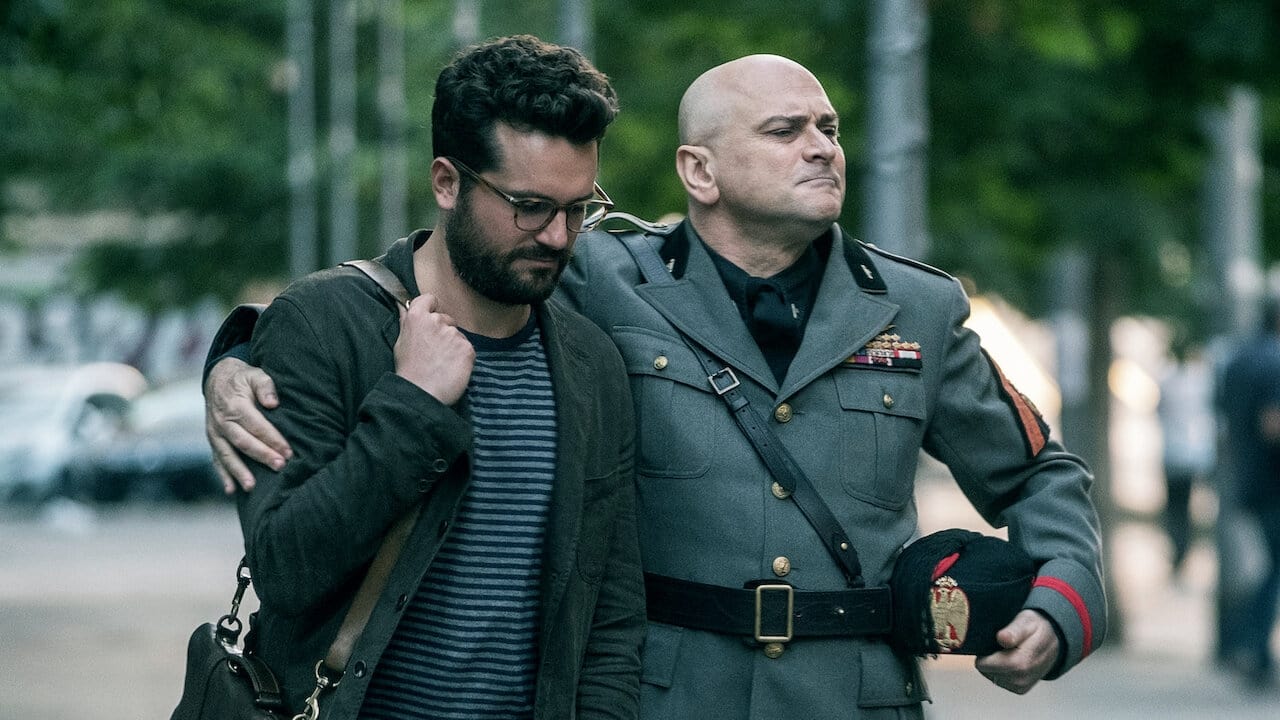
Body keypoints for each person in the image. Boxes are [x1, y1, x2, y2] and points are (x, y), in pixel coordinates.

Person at [206, 53, 1106, 718]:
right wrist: (239, 359)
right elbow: (440, 268)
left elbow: (1038, 472)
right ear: (697, 170)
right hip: (670, 693)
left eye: (829, 129)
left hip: (854, 693)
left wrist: (1064, 602)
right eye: (785, 131)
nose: (822, 149)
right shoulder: (606, 276)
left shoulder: (918, 308)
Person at [208, 35, 645, 719]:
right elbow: (287, 570)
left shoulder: (591, 364)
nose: (558, 236)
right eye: (530, 206)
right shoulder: (323, 325)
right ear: (447, 182)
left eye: (577, 209)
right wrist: (412, 405)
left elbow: (609, 618)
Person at [1217, 299, 1280, 688]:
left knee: (1272, 565)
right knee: (1274, 568)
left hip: (1248, 477)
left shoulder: (1237, 360)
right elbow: (1273, 423)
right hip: (1274, 481)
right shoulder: (1275, 361)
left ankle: (1244, 645)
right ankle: (1251, 648)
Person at [1156, 338, 1216, 577]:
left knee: (1174, 507)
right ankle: (1184, 549)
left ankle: (1177, 549)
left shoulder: (1166, 380)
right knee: (1186, 506)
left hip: (1172, 453)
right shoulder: (1199, 380)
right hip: (1193, 453)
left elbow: (1159, 411)